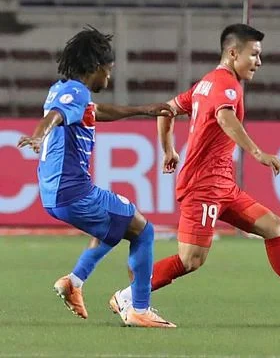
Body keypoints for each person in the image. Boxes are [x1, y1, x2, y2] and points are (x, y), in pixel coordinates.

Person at [109, 23, 280, 320]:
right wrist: (258, 153)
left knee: (274, 227)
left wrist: (169, 149)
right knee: (191, 260)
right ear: (233, 53)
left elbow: (166, 110)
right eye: (254, 54)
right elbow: (225, 118)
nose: (259, 61)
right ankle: (127, 297)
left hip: (223, 186)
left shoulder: (206, 83)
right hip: (204, 187)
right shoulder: (227, 85)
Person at [17, 26, 176, 328]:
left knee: (115, 225)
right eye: (108, 70)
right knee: (143, 231)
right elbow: (54, 116)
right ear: (95, 67)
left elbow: (96, 111)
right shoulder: (76, 92)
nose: (109, 77)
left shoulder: (64, 89)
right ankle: (139, 308)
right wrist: (38, 135)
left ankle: (74, 282)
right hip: (73, 193)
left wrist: (144, 110)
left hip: (55, 195)